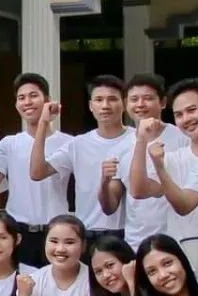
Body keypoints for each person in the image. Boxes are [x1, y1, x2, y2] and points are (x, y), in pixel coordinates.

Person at [0, 73, 71, 268]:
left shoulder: (68, 143)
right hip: (19, 231)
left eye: (33, 95)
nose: (27, 102)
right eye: (21, 98)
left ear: (48, 100)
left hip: (56, 231)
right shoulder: (9, 143)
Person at [31, 78, 133, 235]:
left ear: (124, 103)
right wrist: (43, 122)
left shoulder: (137, 140)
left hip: (127, 233)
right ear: (91, 106)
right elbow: (37, 172)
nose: (105, 105)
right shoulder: (78, 144)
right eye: (99, 100)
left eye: (112, 99)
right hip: (86, 231)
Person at [122, 76, 198, 245]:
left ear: (163, 103)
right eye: (134, 99)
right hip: (135, 239)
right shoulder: (120, 145)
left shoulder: (183, 137)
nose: (140, 104)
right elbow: (135, 191)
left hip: (176, 237)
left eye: (148, 98)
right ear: (126, 103)